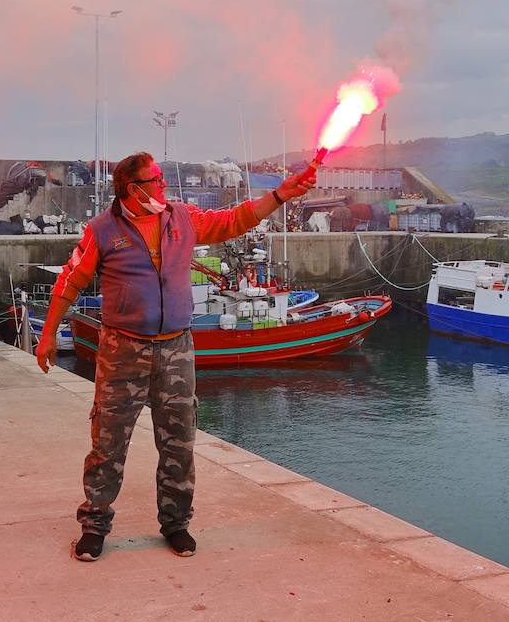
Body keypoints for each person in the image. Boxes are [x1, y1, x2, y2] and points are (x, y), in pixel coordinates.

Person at [35, 152, 316, 562]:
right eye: (156, 180)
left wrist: (279, 195)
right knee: (108, 444)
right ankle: (94, 526)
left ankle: (176, 524)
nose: (164, 186)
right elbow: (70, 280)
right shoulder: (102, 230)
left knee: (180, 443)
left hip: (176, 349)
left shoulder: (180, 217)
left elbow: (234, 220)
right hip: (121, 351)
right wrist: (45, 335)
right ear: (134, 189)